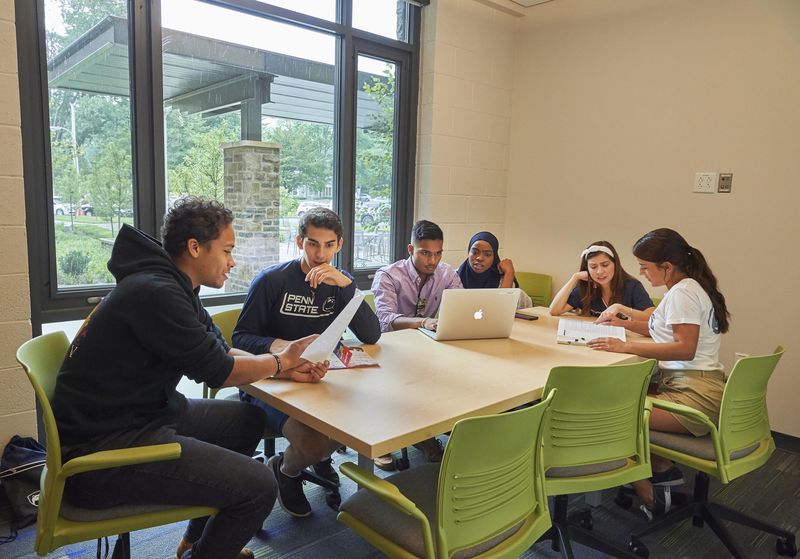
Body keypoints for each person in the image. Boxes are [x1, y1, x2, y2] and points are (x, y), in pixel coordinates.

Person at [50, 198, 327, 559]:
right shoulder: (157, 293)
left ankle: (197, 542)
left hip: (141, 415)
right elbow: (219, 372)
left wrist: (284, 365)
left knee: (247, 421)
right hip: (102, 455)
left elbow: (221, 351)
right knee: (260, 486)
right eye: (227, 250)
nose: (233, 261)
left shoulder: (173, 283)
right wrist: (278, 362)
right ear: (195, 248)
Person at [233, 207, 380, 517]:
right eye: (313, 243)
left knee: (364, 424)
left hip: (322, 379)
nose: (320, 253)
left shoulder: (340, 283)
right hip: (272, 382)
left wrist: (347, 286)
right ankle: (286, 470)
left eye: (329, 245)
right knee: (314, 444)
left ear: (339, 245)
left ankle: (313, 458)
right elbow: (241, 338)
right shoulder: (272, 280)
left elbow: (372, 334)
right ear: (299, 241)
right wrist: (286, 349)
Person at [587, 228, 731, 521]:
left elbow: (684, 347)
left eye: (645, 267)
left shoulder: (683, 294)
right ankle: (663, 468)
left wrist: (625, 345)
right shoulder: (685, 288)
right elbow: (664, 329)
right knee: (622, 397)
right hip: (697, 386)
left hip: (694, 397)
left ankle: (649, 491)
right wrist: (620, 325)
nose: (640, 272)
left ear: (667, 267)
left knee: (605, 413)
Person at [370, 219, 462, 469]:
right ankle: (383, 437)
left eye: (437, 254)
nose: (432, 261)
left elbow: (461, 307)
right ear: (411, 250)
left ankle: (425, 433)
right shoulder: (388, 275)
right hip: (392, 349)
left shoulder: (448, 274)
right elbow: (386, 321)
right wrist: (424, 323)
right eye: (425, 253)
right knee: (405, 380)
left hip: (429, 348)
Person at [549, 240, 654, 318]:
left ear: (615, 264)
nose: (599, 271)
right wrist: (575, 278)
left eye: (605, 265)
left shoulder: (632, 286)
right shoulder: (586, 288)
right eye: (593, 267)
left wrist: (622, 309)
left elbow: (652, 317)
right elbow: (554, 311)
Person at [456, 230, 532, 308]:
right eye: (475, 252)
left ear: (494, 257)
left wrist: (509, 273)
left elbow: (503, 308)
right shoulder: (455, 276)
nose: (480, 258)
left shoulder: (503, 280)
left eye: (487, 254)